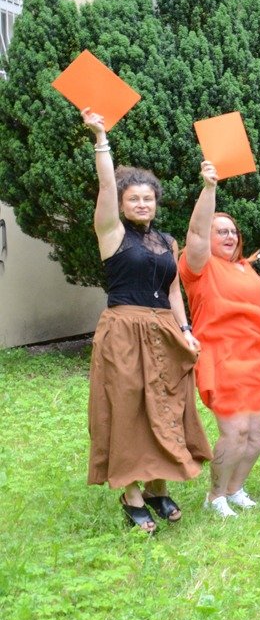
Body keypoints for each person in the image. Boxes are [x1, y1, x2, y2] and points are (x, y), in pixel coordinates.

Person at [82, 109, 211, 533]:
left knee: (166, 404)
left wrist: (186, 330)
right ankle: (131, 492)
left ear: (156, 202)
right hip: (123, 329)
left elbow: (173, 292)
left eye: (148, 198)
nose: (142, 203)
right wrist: (101, 138)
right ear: (121, 204)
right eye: (133, 198)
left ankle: (157, 486)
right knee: (128, 408)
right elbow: (106, 185)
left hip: (165, 331)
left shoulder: (166, 242)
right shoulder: (112, 234)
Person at [179, 161, 260, 518]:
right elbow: (196, 234)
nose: (228, 237)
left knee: (258, 430)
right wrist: (209, 188)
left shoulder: (245, 267)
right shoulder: (198, 267)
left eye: (232, 232)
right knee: (236, 430)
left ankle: (234, 488)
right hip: (222, 356)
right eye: (220, 232)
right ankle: (214, 497)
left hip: (258, 357)